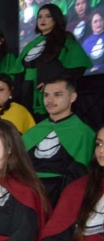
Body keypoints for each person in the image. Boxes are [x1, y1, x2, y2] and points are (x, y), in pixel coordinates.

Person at [22, 76, 96, 206]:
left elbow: (81, 173)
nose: (49, 100)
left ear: (72, 97)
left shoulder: (84, 132)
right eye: (46, 95)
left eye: (57, 95)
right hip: (26, 192)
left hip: (61, 196)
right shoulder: (34, 131)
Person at [19, 4, 92, 116]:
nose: (42, 19)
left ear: (56, 19)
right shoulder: (32, 44)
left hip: (49, 95)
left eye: (48, 16)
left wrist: (51, 82)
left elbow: (78, 68)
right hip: (27, 91)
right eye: (40, 16)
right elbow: (19, 68)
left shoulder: (65, 41)